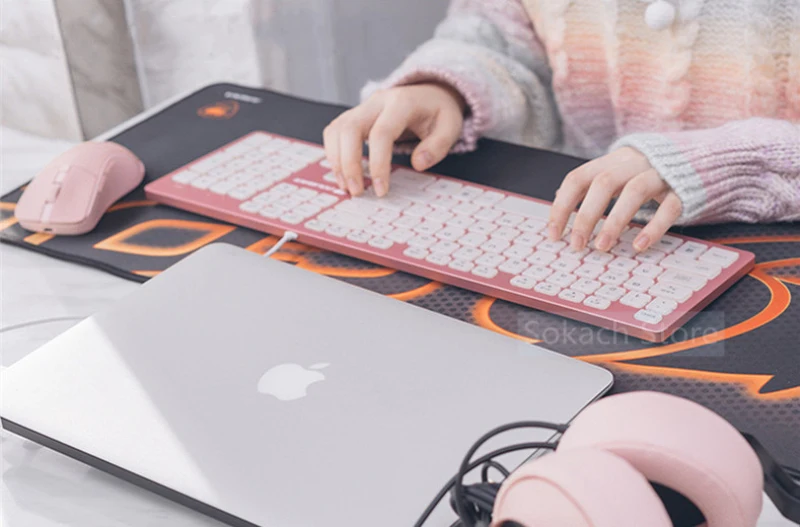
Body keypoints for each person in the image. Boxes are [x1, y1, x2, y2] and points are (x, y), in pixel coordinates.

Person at [322, 0, 799, 253]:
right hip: (583, 230)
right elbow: (495, 25)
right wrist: (442, 87)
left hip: (769, 255)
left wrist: (728, 165)